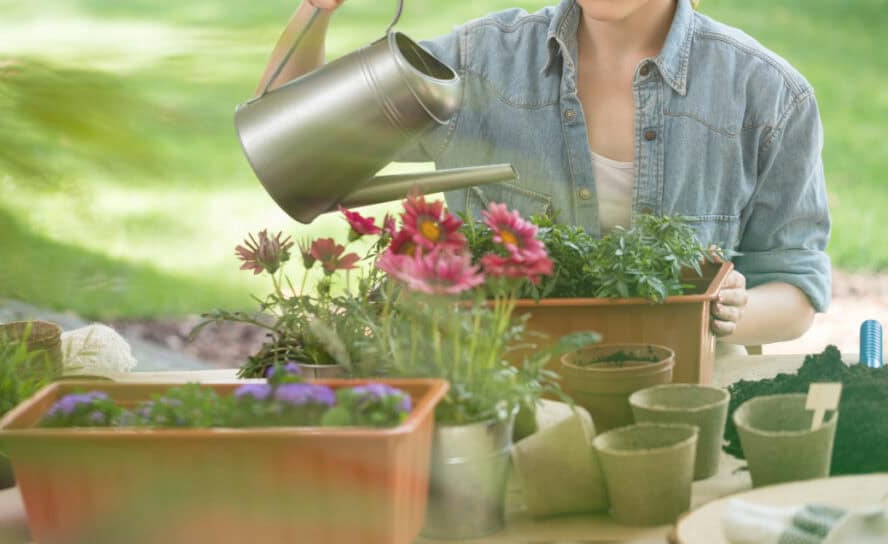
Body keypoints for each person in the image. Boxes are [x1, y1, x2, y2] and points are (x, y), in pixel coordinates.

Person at [255, 0, 831, 349]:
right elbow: (293, 142)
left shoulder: (767, 96)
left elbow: (796, 286)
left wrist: (732, 312)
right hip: (496, 402)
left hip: (678, 411)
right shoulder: (482, 64)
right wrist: (316, 9)